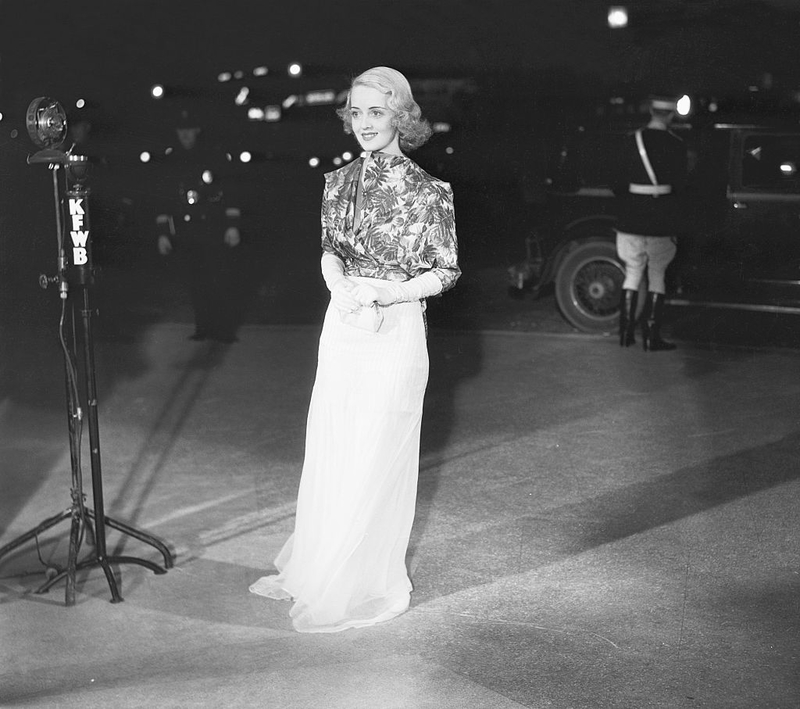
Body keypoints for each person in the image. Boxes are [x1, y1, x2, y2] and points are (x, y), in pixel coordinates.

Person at [249, 66, 460, 633]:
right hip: (342, 327)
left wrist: (389, 290)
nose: (365, 123)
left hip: (395, 332)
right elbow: (329, 248)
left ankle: (362, 579)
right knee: (333, 444)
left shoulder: (427, 191)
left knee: (375, 452)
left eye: (377, 111)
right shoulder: (337, 182)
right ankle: (319, 569)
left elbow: (446, 270)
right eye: (357, 111)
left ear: (402, 116)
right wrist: (337, 283)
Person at [155, 110, 242, 343]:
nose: (185, 135)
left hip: (213, 228)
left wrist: (232, 226)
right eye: (180, 131)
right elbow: (164, 199)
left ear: (197, 132)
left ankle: (224, 330)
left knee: (219, 280)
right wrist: (163, 234)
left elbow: (229, 195)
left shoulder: (213, 157)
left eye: (189, 130)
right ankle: (202, 327)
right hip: (186, 232)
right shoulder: (171, 160)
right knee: (196, 283)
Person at [615, 96, 689, 351]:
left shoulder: (629, 141)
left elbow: (617, 184)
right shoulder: (677, 145)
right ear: (670, 116)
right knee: (657, 274)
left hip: (630, 217)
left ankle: (625, 335)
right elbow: (681, 187)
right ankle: (651, 337)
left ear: (650, 110)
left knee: (632, 273)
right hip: (661, 219)